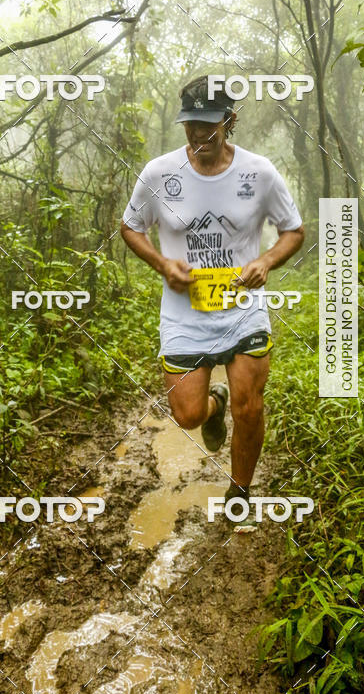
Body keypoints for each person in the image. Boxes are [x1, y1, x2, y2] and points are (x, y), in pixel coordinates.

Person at [120, 74, 304, 513]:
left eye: (208, 124)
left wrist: (265, 261)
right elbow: (131, 227)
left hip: (243, 310)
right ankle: (213, 402)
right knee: (185, 414)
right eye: (191, 124)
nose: (200, 133)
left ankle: (240, 493)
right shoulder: (160, 173)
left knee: (250, 407)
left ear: (229, 119)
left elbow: (292, 231)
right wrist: (163, 264)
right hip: (185, 314)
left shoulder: (259, 173)